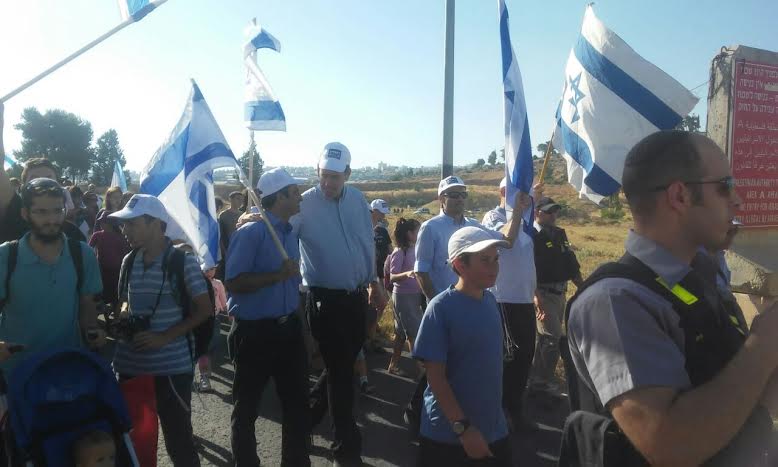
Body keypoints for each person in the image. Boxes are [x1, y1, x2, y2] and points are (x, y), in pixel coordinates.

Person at [563, 131, 777, 466]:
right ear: (679, 196)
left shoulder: (702, 274)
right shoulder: (614, 302)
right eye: (725, 186)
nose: (737, 200)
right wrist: (764, 344)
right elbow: (669, 445)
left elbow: (742, 391)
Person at [294, 142, 386, 467]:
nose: (327, 182)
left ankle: (302, 424)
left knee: (340, 368)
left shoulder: (357, 200)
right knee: (342, 374)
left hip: (356, 298)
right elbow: (280, 230)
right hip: (324, 301)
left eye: (334, 176)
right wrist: (255, 218)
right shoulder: (304, 204)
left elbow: (365, 243)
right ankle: (345, 450)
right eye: (323, 175)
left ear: (347, 173)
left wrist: (374, 282)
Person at [109, 194, 211, 467]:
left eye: (132, 224)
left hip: (171, 370)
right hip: (130, 366)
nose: (125, 230)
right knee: (134, 444)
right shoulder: (129, 260)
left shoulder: (182, 261)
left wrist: (163, 337)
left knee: (179, 441)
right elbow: (124, 302)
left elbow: (205, 310)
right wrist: (123, 318)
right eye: (124, 224)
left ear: (156, 224)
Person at [225, 168, 310, 467]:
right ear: (280, 197)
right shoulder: (251, 232)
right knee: (246, 408)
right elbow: (233, 281)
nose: (300, 197)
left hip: (288, 330)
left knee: (297, 405)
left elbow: (291, 288)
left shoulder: (288, 232)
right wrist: (277, 275)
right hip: (254, 333)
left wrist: (303, 331)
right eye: (295, 192)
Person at [413, 226, 514, 467]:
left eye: (496, 259)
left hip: (493, 430)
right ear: (460, 264)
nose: (494, 267)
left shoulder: (490, 300)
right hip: (448, 437)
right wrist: (464, 429)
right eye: (485, 260)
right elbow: (435, 378)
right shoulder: (440, 308)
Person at [0, 178, 105, 373]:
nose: (52, 220)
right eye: (41, 212)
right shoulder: (5, 256)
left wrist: (93, 331)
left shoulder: (83, 254)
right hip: (16, 374)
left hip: (67, 369)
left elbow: (87, 306)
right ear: (25, 213)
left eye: (58, 210)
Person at [482, 177, 542, 430]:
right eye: (519, 191)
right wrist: (518, 209)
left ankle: (514, 408)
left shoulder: (528, 221)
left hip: (524, 299)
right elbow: (507, 240)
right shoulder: (493, 216)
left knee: (524, 357)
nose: (524, 196)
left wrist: (536, 295)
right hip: (502, 299)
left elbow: (526, 261)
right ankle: (496, 412)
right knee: (505, 359)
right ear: (504, 192)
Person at [529, 196, 583, 400]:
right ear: (537, 212)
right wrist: (535, 296)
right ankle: (541, 382)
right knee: (552, 338)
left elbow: (570, 261)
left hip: (560, 292)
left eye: (555, 211)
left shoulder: (559, 233)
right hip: (543, 293)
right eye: (549, 212)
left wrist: (583, 286)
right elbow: (528, 268)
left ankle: (538, 379)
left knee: (546, 339)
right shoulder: (530, 235)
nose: (553, 215)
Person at [387, 217, 422, 376]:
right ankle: (422, 370)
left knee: (401, 334)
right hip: (403, 297)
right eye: (418, 231)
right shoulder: (400, 251)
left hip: (413, 295)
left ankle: (393, 365)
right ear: (409, 234)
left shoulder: (414, 248)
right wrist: (407, 273)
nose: (420, 234)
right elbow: (392, 276)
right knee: (413, 333)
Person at [88, 211, 131, 309]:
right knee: (100, 294)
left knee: (116, 295)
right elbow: (89, 249)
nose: (101, 224)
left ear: (111, 223)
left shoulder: (120, 237)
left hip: (117, 272)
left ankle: (115, 313)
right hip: (101, 271)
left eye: (104, 222)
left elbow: (125, 253)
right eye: (101, 222)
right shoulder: (97, 235)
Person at [197, 265, 227, 392]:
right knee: (203, 348)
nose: (209, 272)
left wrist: (229, 312)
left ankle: (207, 367)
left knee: (213, 345)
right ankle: (204, 376)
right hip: (201, 319)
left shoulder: (218, 283)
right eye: (206, 269)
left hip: (215, 318)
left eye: (212, 269)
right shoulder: (197, 283)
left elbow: (223, 299)